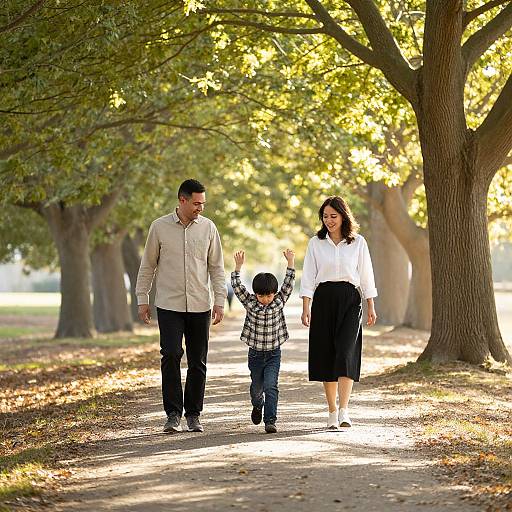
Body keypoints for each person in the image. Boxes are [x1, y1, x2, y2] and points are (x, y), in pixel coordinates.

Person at [135, 179, 227, 434]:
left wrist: (219, 300)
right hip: (168, 304)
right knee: (171, 354)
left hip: (200, 305)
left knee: (198, 361)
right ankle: (173, 413)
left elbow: (216, 268)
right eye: (197, 203)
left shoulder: (208, 228)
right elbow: (148, 266)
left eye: (203, 203)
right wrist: (142, 298)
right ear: (182, 200)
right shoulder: (159, 227)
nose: (201, 208)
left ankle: (194, 414)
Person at [300, 196, 377, 429]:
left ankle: (344, 410)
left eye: (333, 216)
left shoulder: (358, 242)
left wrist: (371, 304)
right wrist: (306, 306)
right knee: (327, 354)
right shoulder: (316, 243)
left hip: (350, 300)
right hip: (323, 299)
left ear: (344, 216)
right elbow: (308, 276)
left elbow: (366, 275)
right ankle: (332, 411)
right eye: (325, 216)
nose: (329, 220)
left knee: (345, 353)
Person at [231, 249, 295, 433]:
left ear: (274, 293)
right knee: (257, 388)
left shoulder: (279, 301)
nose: (265, 299)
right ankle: (257, 405)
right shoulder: (250, 302)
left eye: (269, 295)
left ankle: (270, 420)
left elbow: (288, 284)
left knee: (271, 386)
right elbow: (237, 287)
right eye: (261, 296)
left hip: (274, 353)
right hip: (256, 354)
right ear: (255, 294)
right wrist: (238, 266)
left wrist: (290, 262)